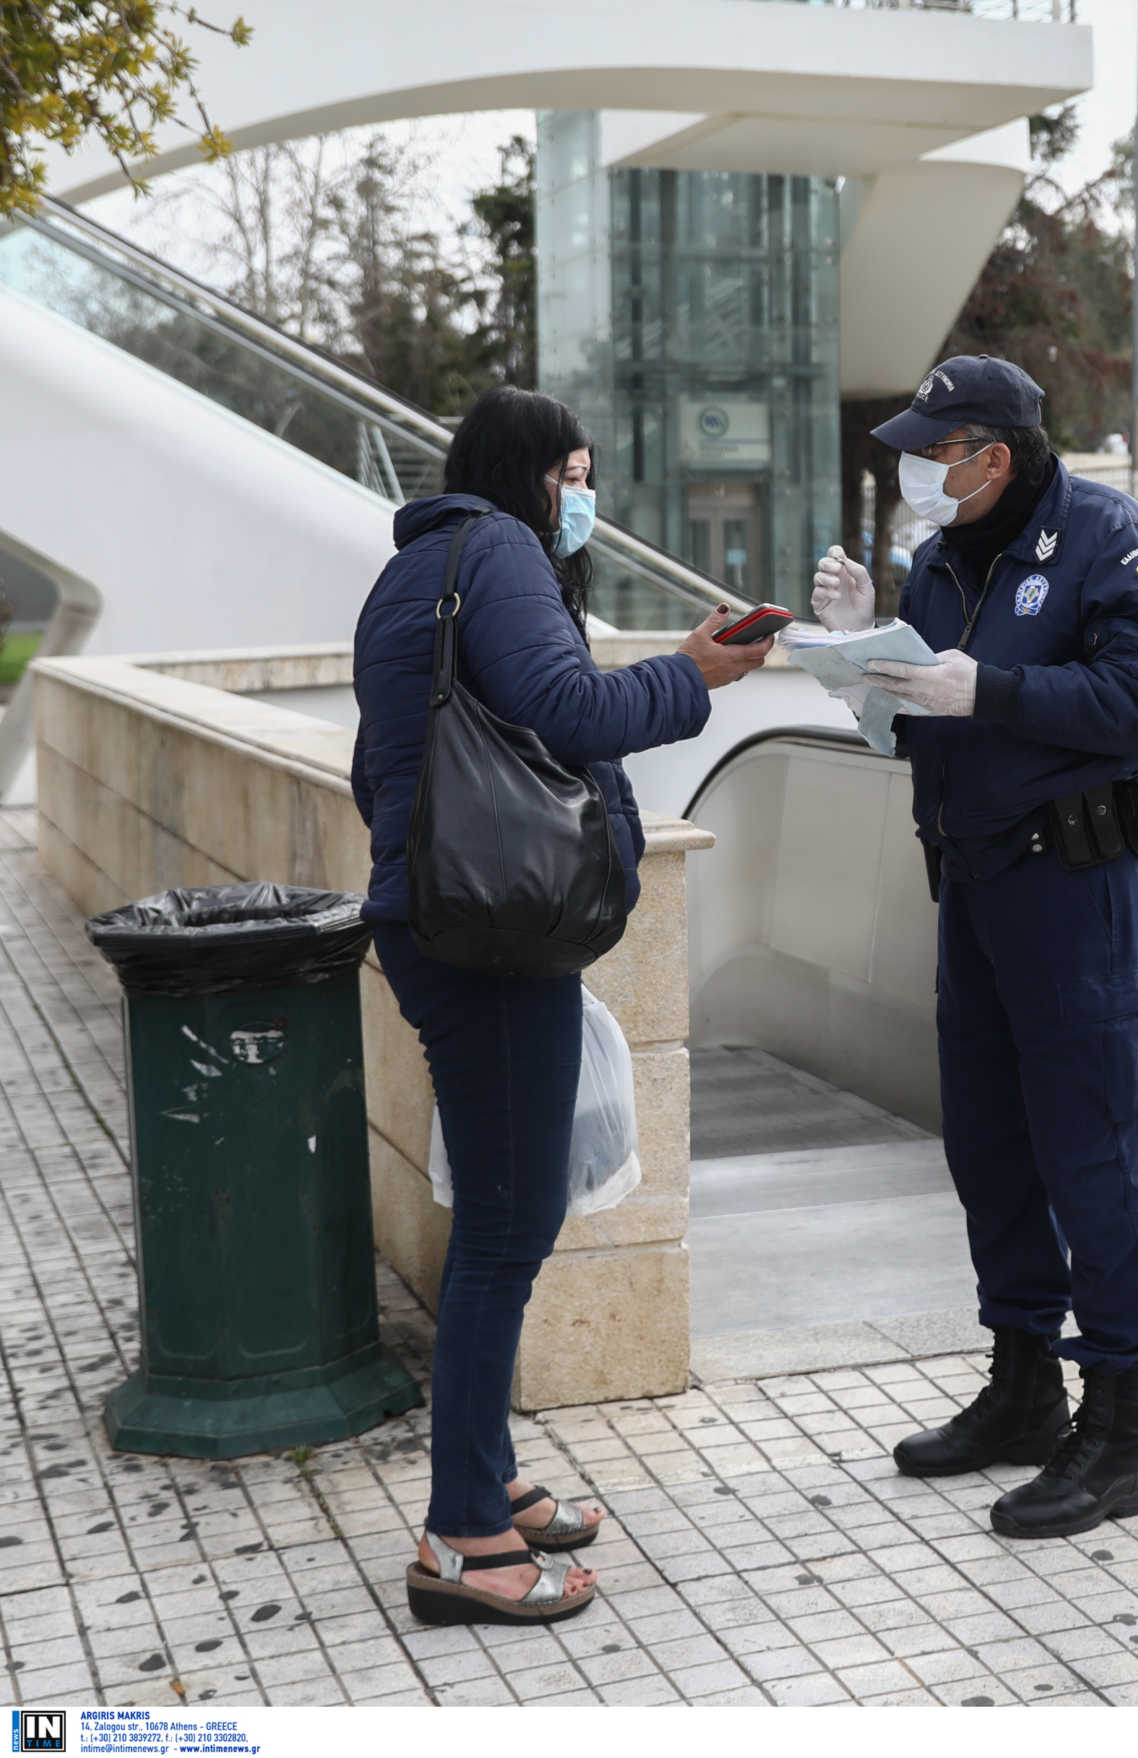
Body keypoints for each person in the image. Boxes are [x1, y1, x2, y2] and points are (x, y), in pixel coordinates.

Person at [351, 387, 772, 1623]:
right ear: (529, 473)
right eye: (574, 473)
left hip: (439, 918)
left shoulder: (418, 565)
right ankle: (464, 1542)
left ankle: (484, 1477)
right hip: (487, 939)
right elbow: (572, 711)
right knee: (503, 1231)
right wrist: (695, 675)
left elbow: (391, 758)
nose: (582, 496)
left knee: (503, 1219)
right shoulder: (500, 552)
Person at [810, 355, 1138, 1541]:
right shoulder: (939, 559)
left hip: (1074, 889)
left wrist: (998, 694)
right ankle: (1024, 1382)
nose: (918, 470)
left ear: (995, 454)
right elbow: (924, 718)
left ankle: (1119, 1429)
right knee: (991, 1145)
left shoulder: (1105, 540)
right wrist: (857, 662)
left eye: (936, 450)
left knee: (1098, 1150)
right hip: (973, 887)